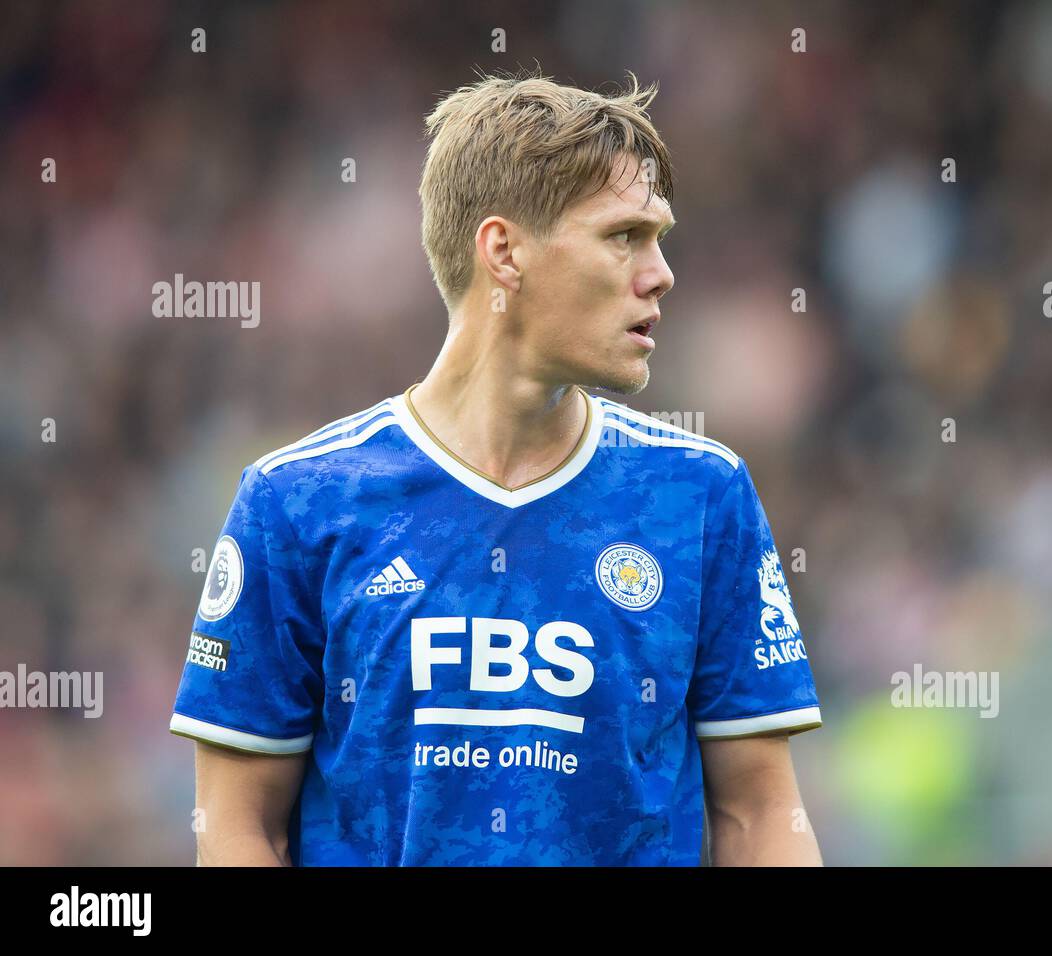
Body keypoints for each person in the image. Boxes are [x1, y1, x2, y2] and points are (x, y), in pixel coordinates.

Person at [169, 69, 823, 866]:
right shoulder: (297, 503)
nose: (660, 272)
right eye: (624, 236)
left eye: (659, 238)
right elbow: (239, 826)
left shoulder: (700, 496)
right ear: (504, 252)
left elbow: (760, 817)